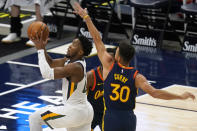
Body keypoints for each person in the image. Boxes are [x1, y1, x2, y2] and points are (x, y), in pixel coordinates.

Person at [73, 3, 196, 131]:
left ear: (118, 57)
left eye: (117, 50)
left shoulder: (109, 67)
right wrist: (180, 96)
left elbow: (97, 38)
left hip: (111, 117)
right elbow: (155, 93)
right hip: (128, 119)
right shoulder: (137, 77)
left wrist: (86, 17)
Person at [28, 33, 94, 131]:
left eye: (74, 45)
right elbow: (51, 63)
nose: (70, 46)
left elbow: (46, 73)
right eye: (71, 43)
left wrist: (40, 51)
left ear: (80, 52)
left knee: (34, 118)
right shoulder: (71, 61)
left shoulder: (75, 67)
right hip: (85, 111)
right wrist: (42, 48)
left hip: (75, 112)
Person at [87, 48, 115, 131]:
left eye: (111, 60)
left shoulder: (117, 77)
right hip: (91, 113)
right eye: (106, 59)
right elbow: (80, 96)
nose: (108, 61)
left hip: (107, 114)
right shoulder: (91, 75)